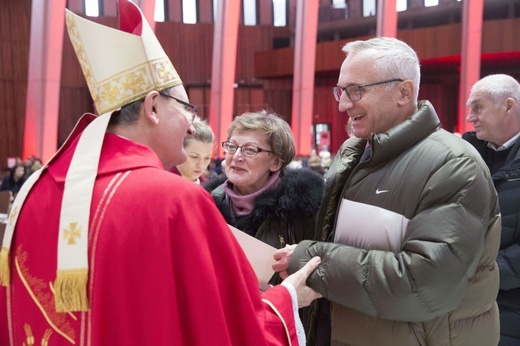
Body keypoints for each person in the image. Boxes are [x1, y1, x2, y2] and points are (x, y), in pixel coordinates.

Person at [0, 1, 322, 345]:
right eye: (187, 108)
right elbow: (228, 324)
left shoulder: (37, 188)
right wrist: (287, 297)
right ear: (153, 107)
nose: (190, 123)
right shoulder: (174, 199)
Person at [273, 36, 501, 345]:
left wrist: (310, 260)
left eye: (356, 90)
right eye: (341, 90)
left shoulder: (452, 164)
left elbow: (424, 283)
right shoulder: (353, 154)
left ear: (403, 92)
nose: (342, 103)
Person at [204, 110, 325, 340]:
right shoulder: (205, 204)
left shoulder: (305, 209)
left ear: (276, 161)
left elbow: (323, 267)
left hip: (285, 329)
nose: (236, 156)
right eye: (231, 146)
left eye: (250, 150)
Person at [464, 73, 520, 346]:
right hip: (463, 308)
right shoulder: (461, 156)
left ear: (508, 106)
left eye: (477, 107)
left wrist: (479, 274)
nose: (469, 118)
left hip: (510, 314)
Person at [169, 119, 215, 184]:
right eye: (194, 157)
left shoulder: (211, 189)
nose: (201, 166)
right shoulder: (162, 184)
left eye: (207, 158)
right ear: (179, 151)